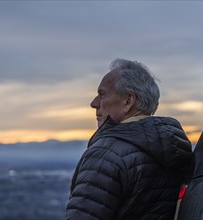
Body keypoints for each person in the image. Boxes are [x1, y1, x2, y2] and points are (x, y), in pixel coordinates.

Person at [65, 59, 194, 220]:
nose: (94, 103)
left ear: (128, 101)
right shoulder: (175, 149)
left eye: (102, 94)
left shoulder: (106, 154)